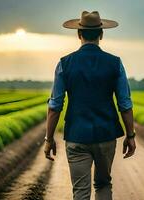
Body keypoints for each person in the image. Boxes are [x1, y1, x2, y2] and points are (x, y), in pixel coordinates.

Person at [44, 11, 136, 200]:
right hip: (106, 135)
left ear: (79, 34)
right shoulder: (115, 63)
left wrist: (49, 139)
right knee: (103, 184)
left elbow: (55, 106)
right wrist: (130, 135)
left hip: (76, 136)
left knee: (80, 191)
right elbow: (125, 104)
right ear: (101, 34)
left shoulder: (64, 64)